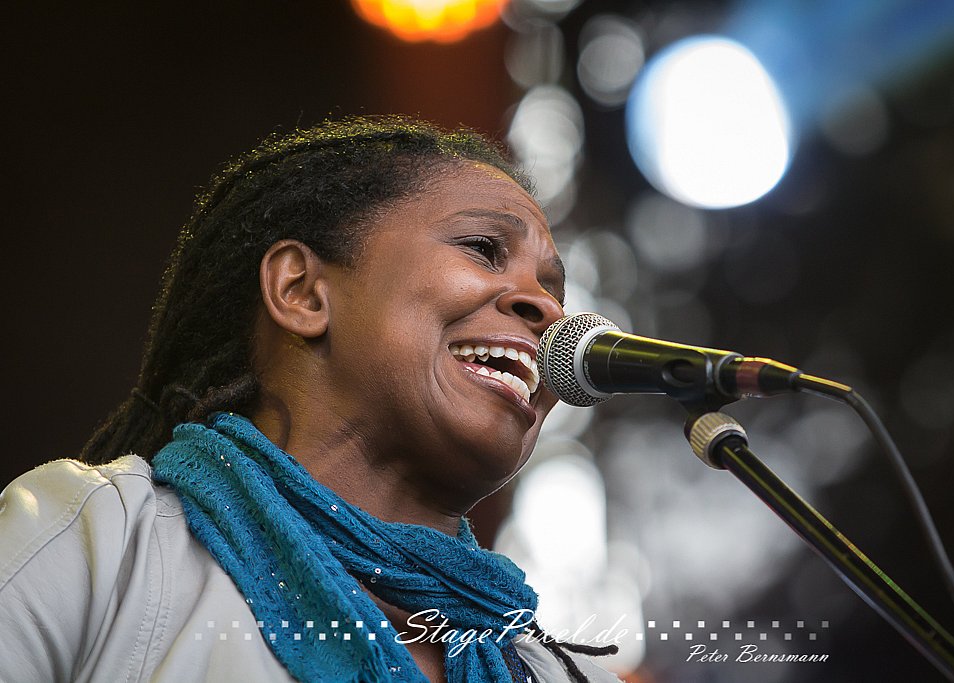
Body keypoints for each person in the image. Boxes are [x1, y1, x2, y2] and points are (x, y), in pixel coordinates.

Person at [0, 117, 621, 682]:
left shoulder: (547, 671)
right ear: (302, 292)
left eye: (552, 287)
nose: (547, 308)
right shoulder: (96, 541)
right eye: (484, 249)